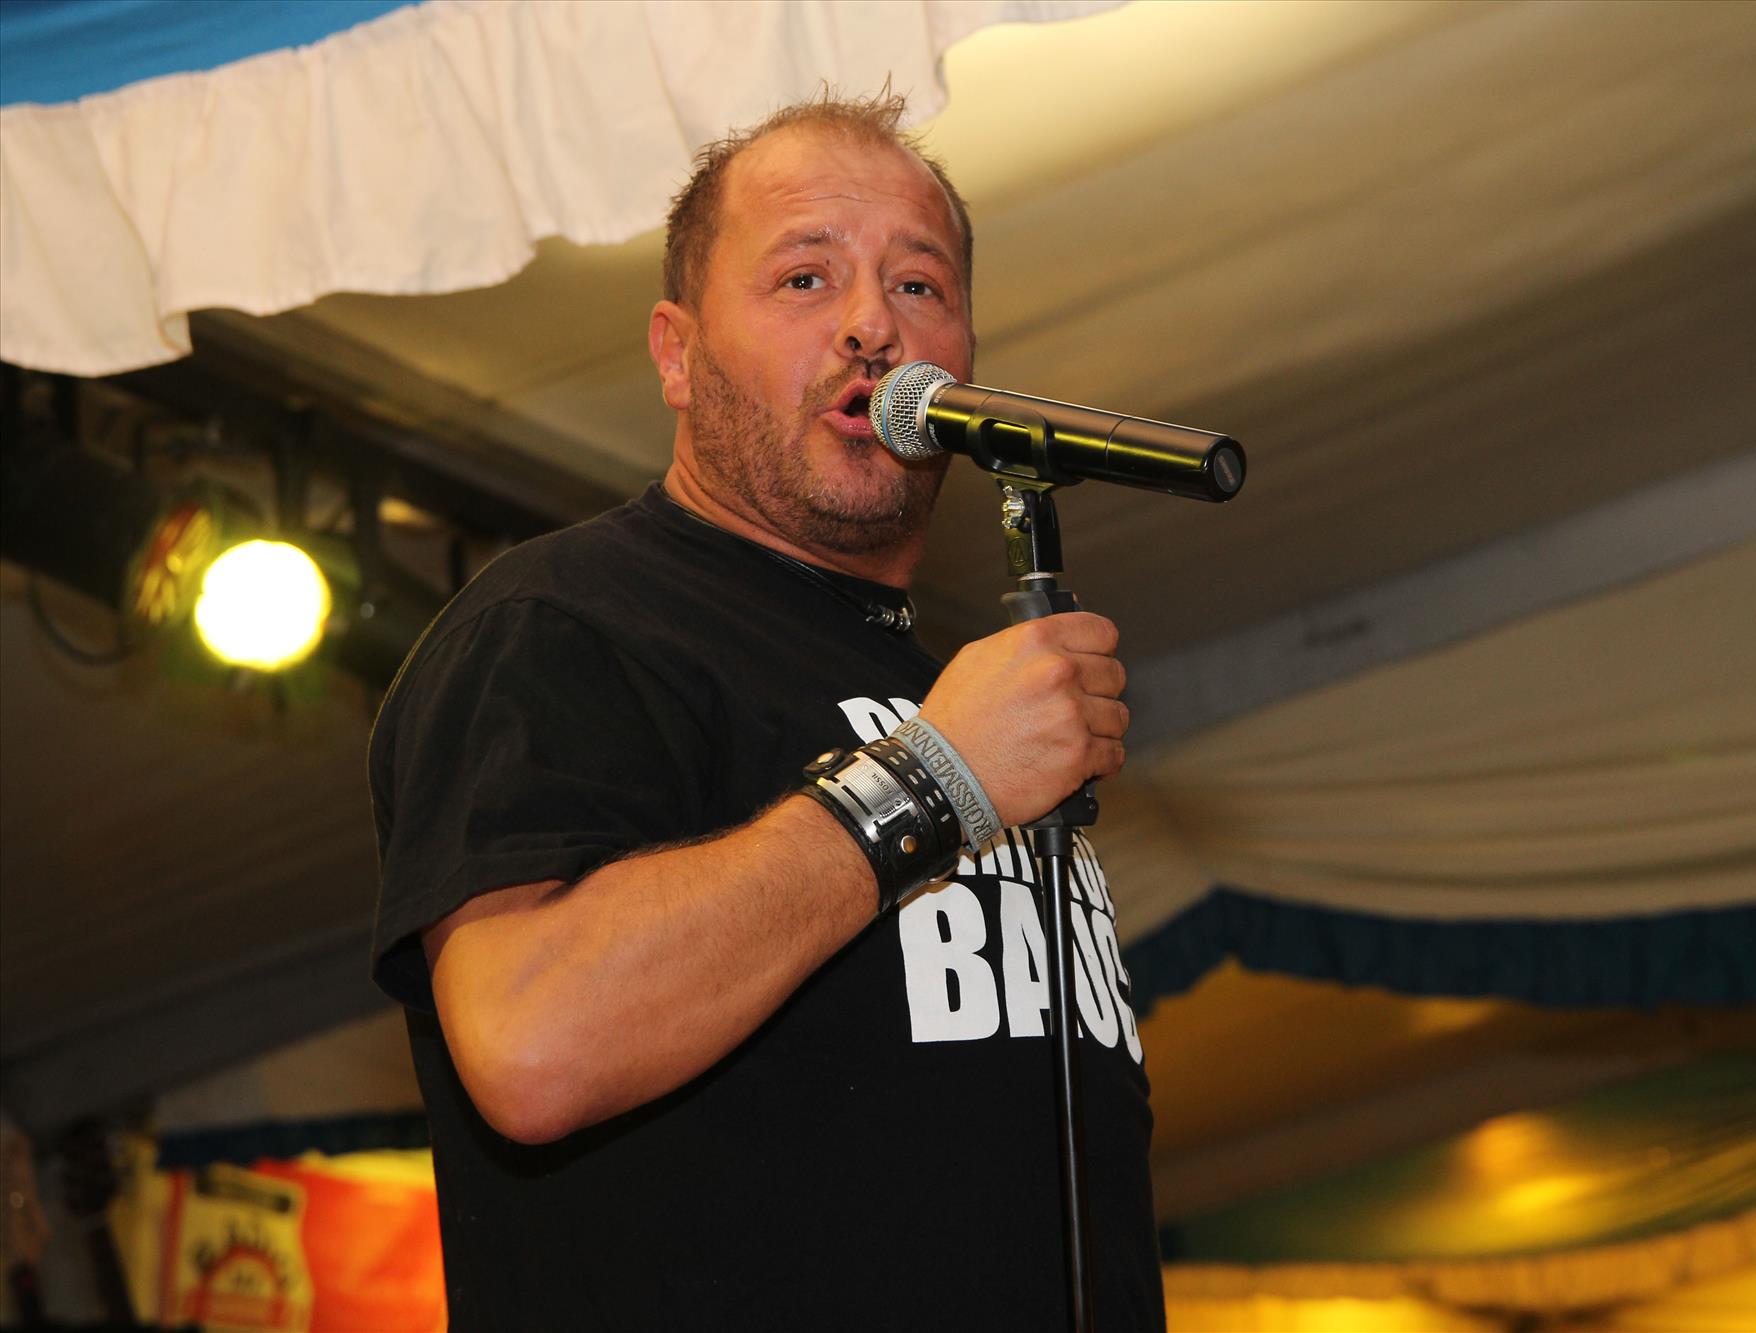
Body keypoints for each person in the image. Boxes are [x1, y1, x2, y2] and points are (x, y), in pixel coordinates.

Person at [369, 90, 1163, 1331]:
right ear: (676, 354)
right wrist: (933, 776)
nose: (872, 325)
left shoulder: (952, 689)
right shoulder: (564, 621)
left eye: (918, 285)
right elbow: (533, 1042)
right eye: (804, 278)